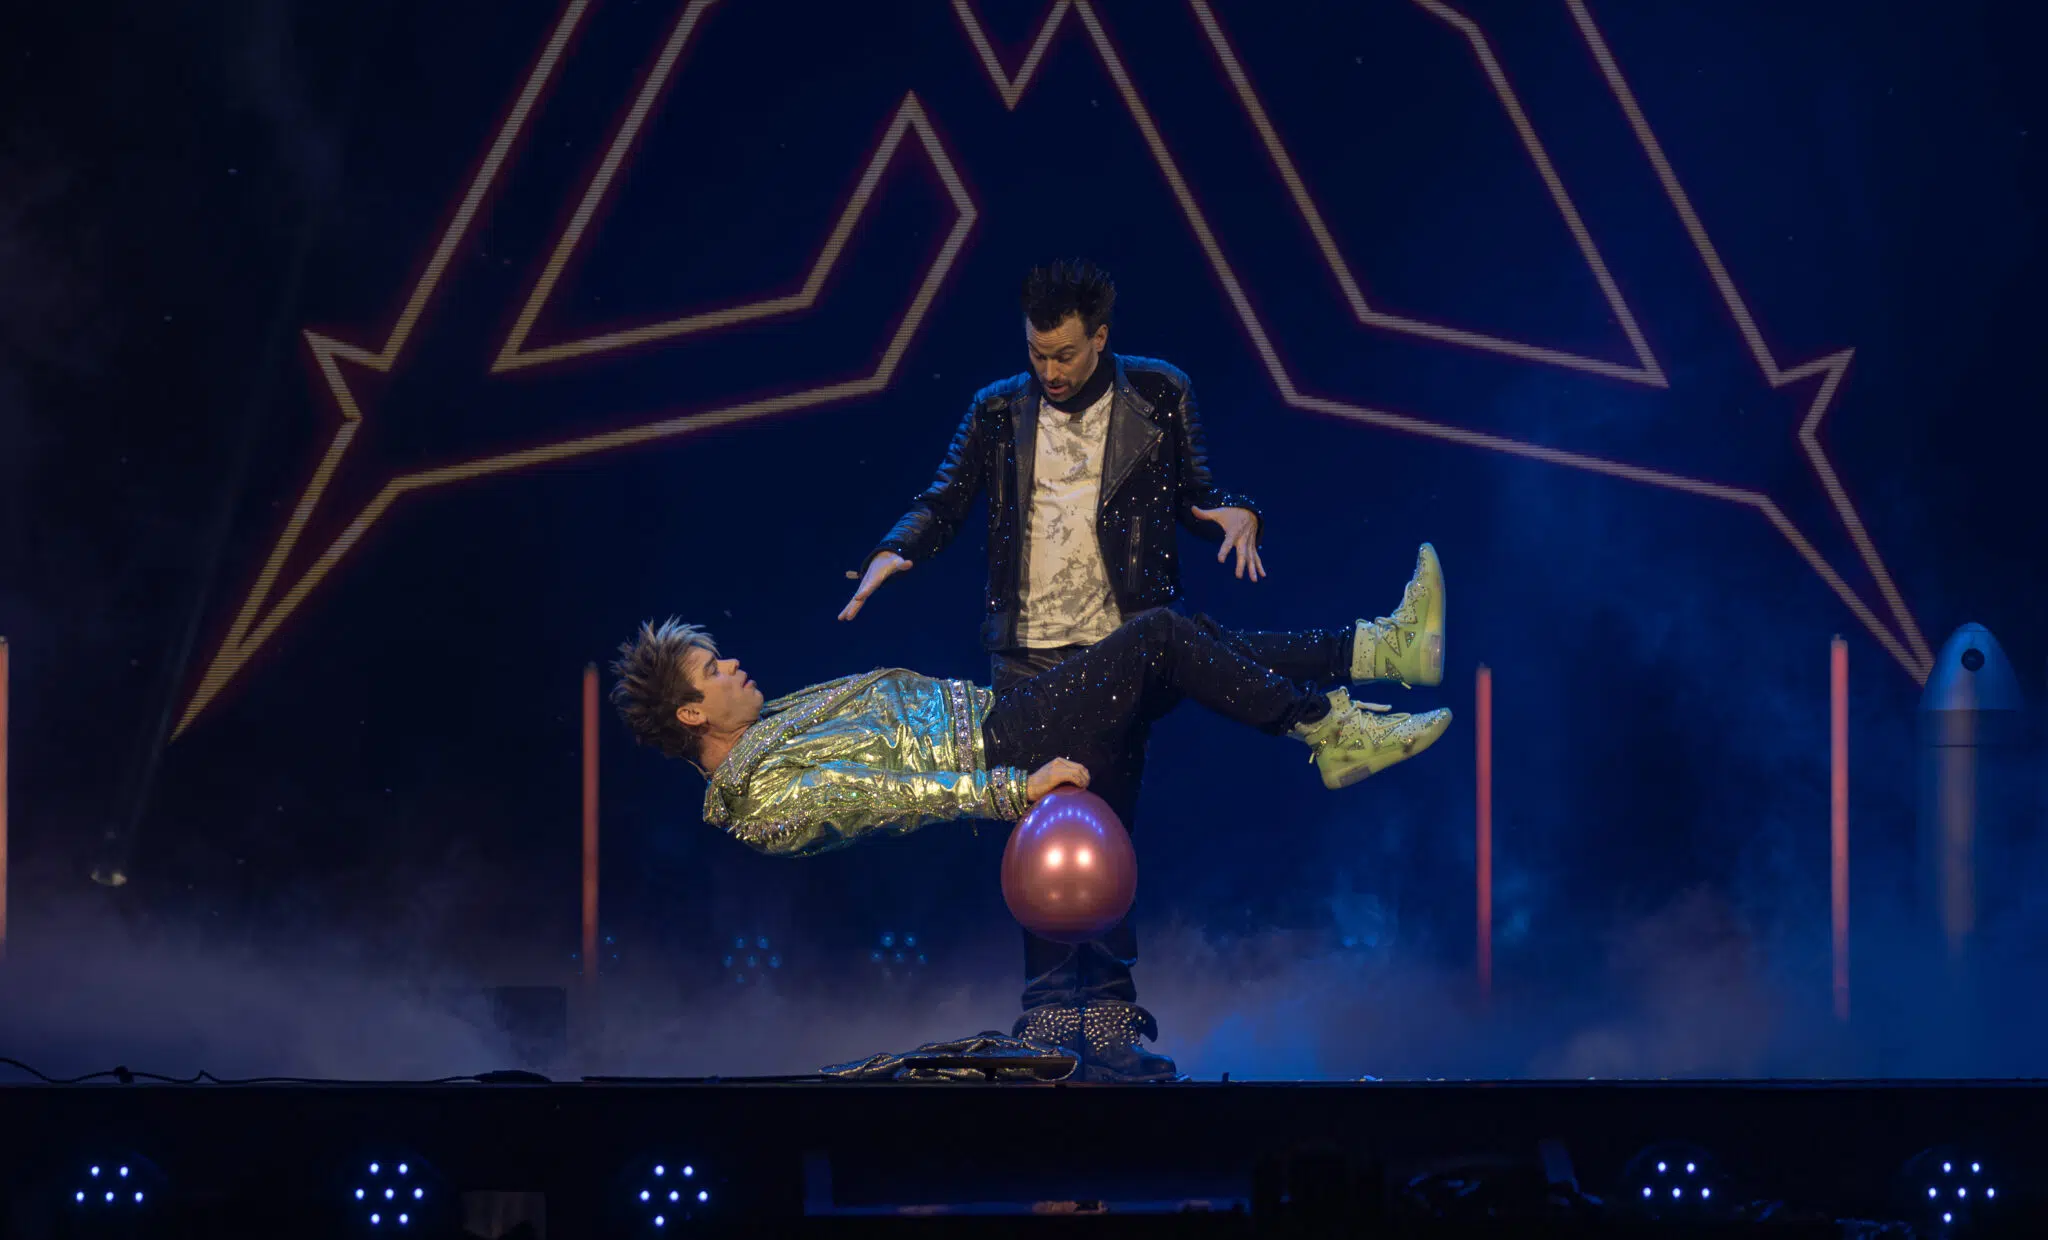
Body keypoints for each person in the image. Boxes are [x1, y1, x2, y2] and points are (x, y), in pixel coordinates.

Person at [611, 547, 1450, 1081]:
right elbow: (887, 799)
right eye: (713, 670)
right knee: (1160, 637)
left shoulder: (766, 735)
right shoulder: (757, 794)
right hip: (996, 747)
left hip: (996, 720)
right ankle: (1329, 726)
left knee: (1180, 640)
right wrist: (1015, 789)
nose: (732, 665)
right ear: (691, 714)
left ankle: (1383, 650)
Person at [836, 259, 1273, 1078]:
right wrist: (896, 548)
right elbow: (944, 499)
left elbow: (1200, 492)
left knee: (1105, 830)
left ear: (1100, 337)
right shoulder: (997, 408)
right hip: (1027, 653)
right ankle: (1045, 1026)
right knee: (1038, 829)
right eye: (1038, 354)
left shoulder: (1159, 393)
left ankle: (1105, 1026)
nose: (1051, 370)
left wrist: (1236, 510)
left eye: (1066, 354)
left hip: (1120, 647)